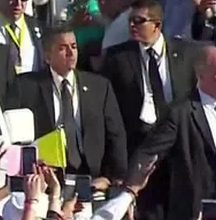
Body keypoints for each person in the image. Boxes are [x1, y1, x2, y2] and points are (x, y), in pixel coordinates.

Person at [7, 27, 128, 180]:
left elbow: (116, 134)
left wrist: (112, 178)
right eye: (62, 48)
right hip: (46, 175)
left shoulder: (99, 86)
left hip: (91, 175)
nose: (71, 53)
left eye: (74, 46)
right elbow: (15, 141)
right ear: (47, 56)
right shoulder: (25, 87)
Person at [130, 45, 216, 220]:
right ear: (201, 74)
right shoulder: (180, 113)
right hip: (195, 214)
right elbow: (148, 154)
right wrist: (130, 190)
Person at [101, 0, 200, 154]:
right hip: (138, 141)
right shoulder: (117, 57)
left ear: (157, 25)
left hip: (179, 137)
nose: (132, 25)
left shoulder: (186, 53)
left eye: (139, 20)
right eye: (130, 20)